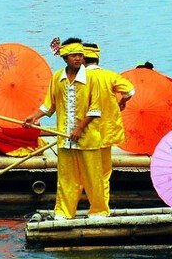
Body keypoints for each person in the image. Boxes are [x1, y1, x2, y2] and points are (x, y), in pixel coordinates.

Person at [22, 41, 103, 220]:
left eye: (80, 55)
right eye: (74, 55)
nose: (78, 59)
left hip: (87, 138)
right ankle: (64, 212)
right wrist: (34, 116)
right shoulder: (58, 78)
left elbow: (96, 108)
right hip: (64, 138)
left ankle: (98, 211)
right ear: (64, 57)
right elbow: (49, 105)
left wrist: (79, 128)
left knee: (93, 177)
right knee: (66, 178)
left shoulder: (92, 78)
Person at [81, 41, 135, 217]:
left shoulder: (76, 77)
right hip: (106, 131)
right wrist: (122, 102)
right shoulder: (110, 76)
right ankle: (101, 209)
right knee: (104, 173)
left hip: (84, 131)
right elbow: (130, 91)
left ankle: (82, 206)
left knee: (83, 171)